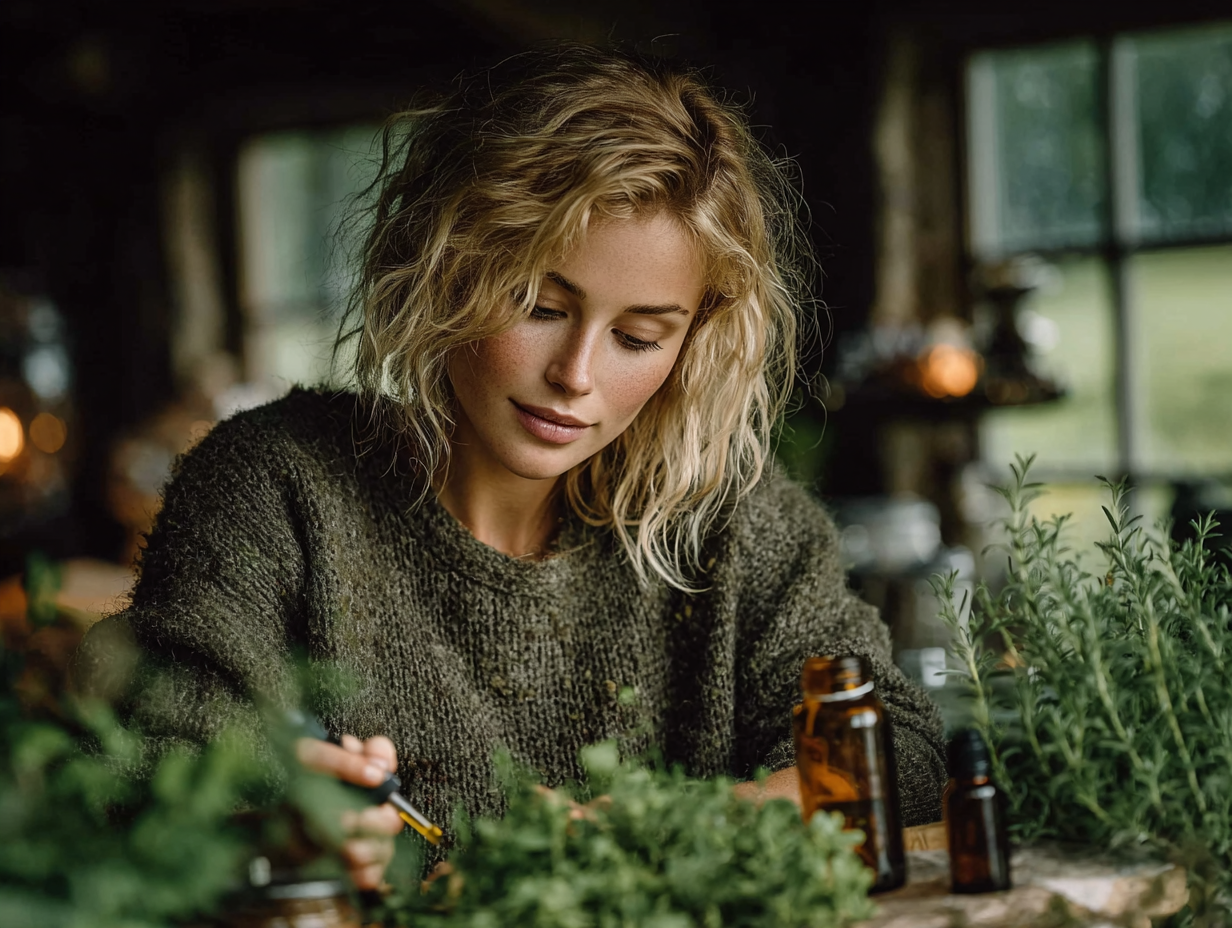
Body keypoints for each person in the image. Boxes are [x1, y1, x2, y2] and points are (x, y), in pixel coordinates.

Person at [74, 45, 946, 889]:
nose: (576, 375)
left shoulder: (731, 521)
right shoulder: (275, 488)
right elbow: (152, 786)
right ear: (445, 263)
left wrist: (664, 830)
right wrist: (278, 830)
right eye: (538, 305)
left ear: (692, 340)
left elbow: (894, 746)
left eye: (639, 337)